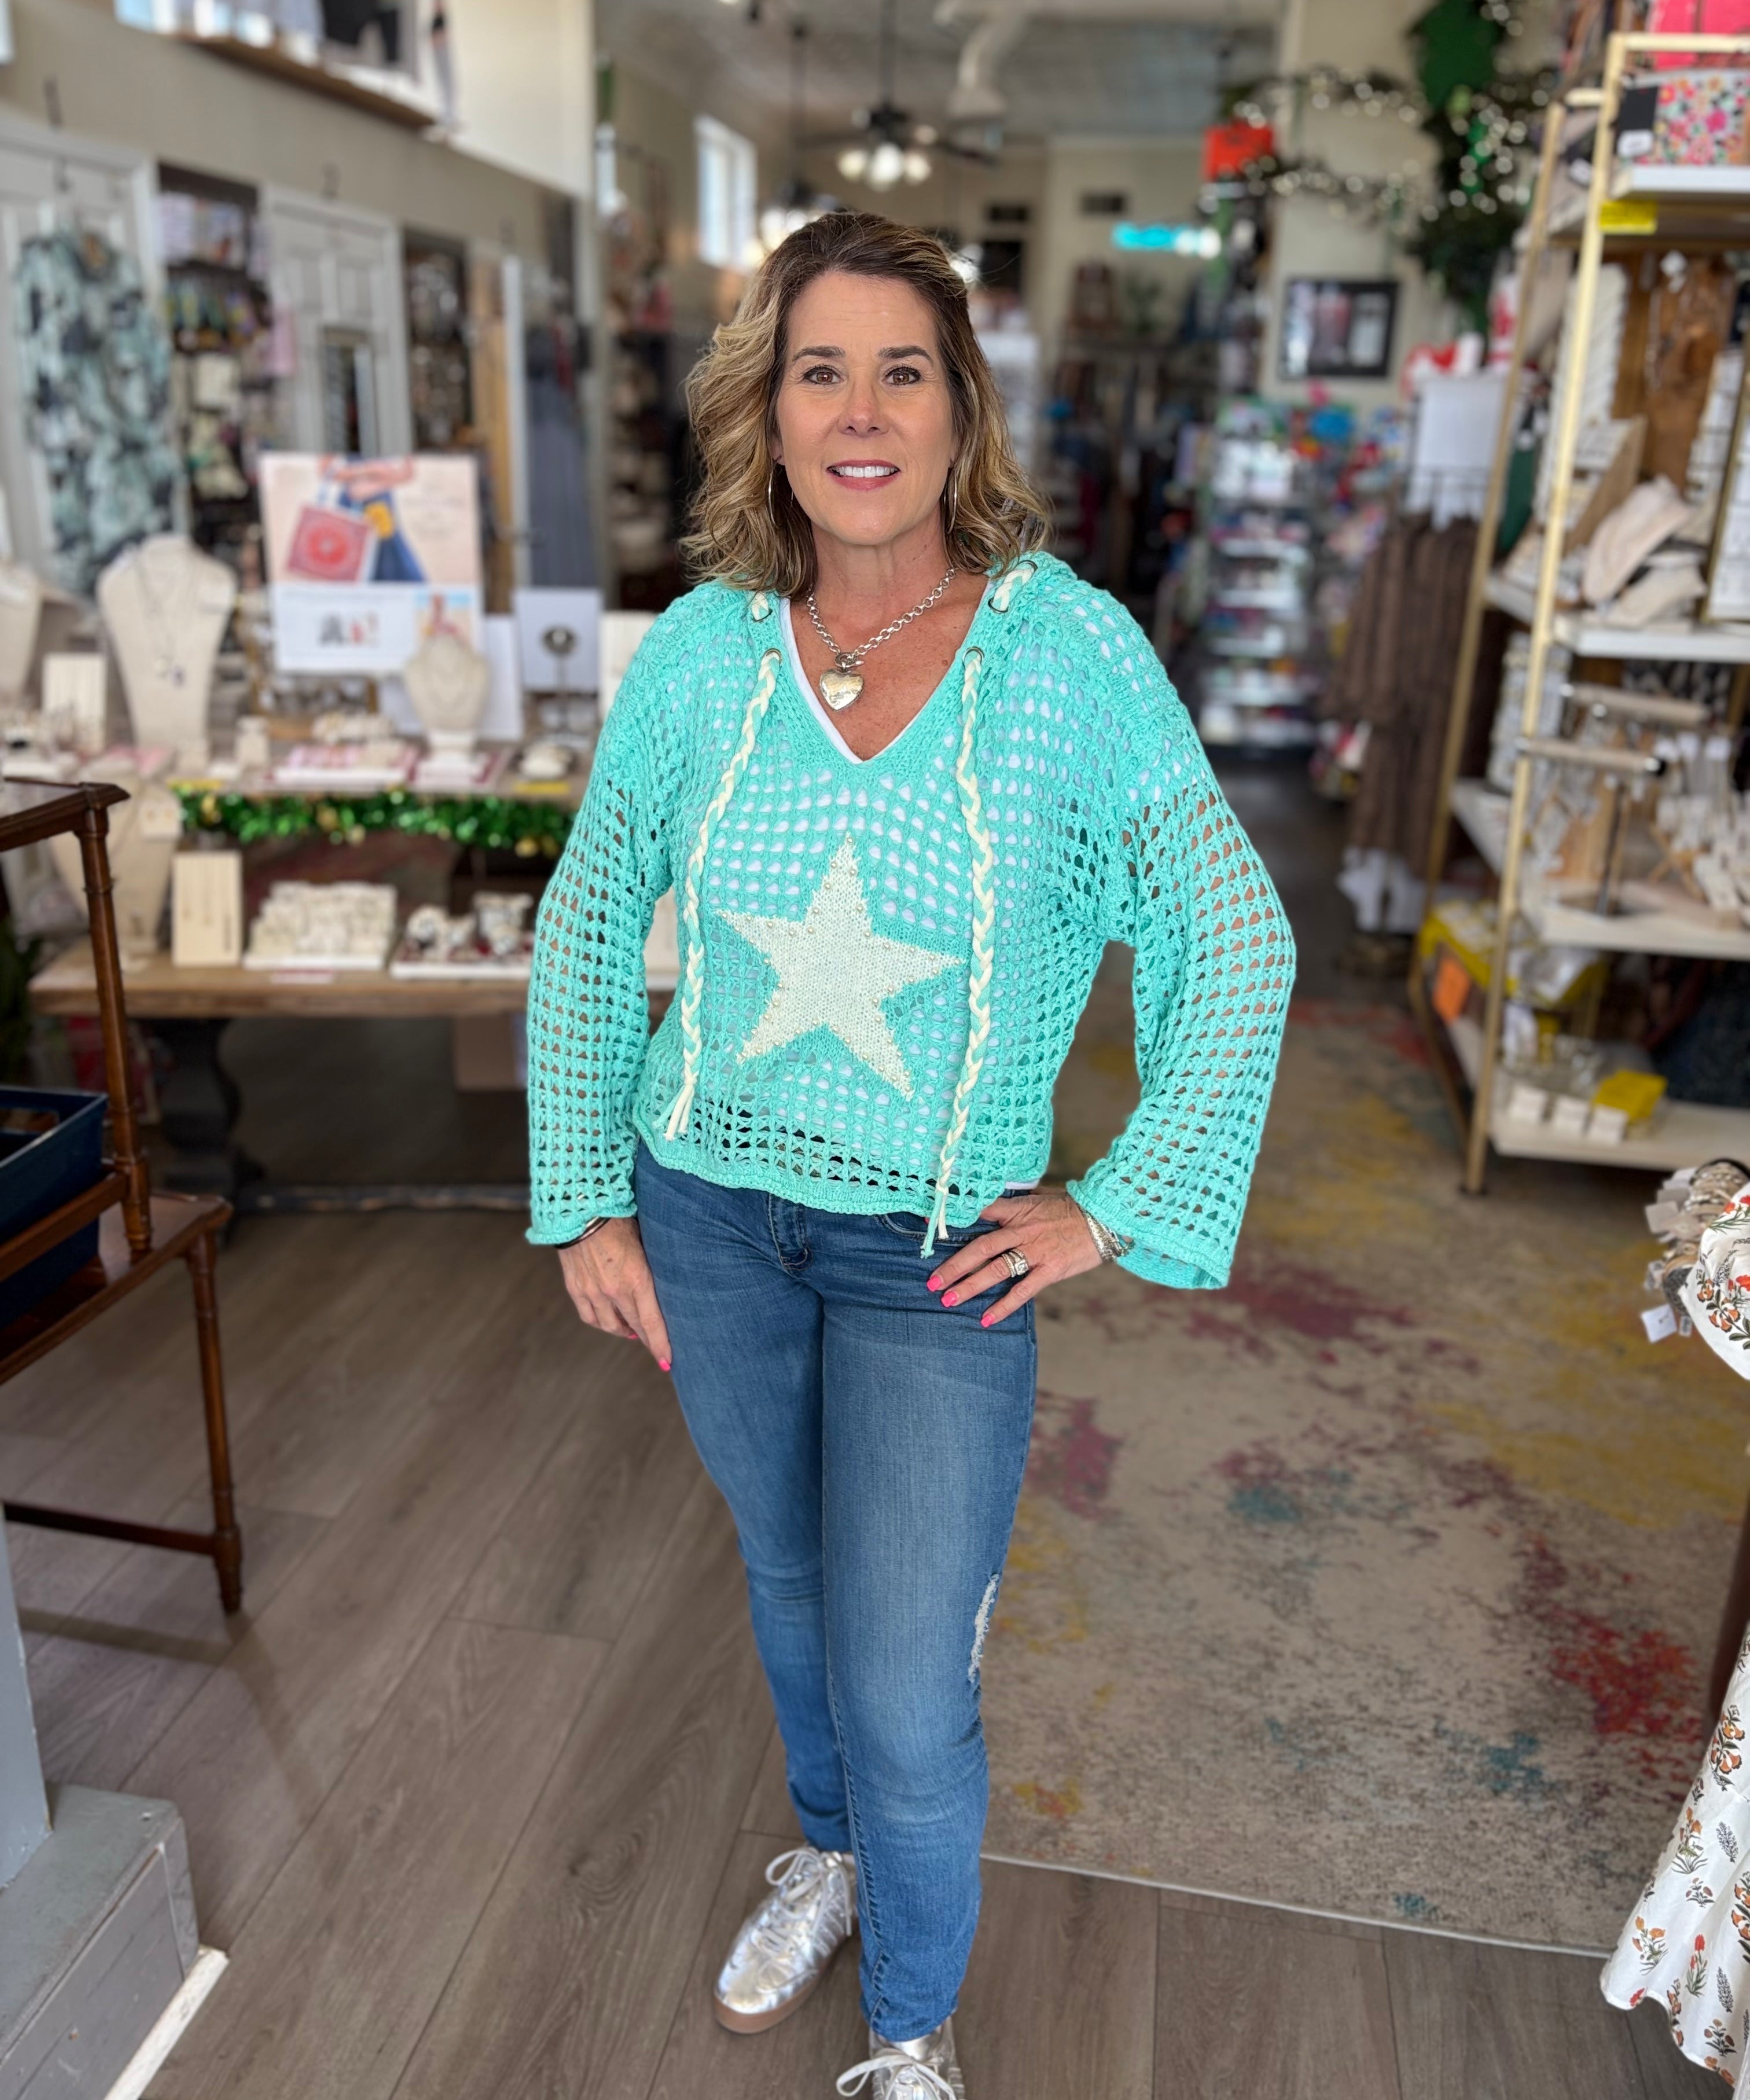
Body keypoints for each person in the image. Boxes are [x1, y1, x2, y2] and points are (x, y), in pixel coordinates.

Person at [527, 211, 1293, 2100]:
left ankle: (910, 2030)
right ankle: (839, 1853)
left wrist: (1111, 1205)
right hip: (708, 1213)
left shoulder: (1069, 657)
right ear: (764, 413)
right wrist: (584, 1190)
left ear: (962, 407)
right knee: (790, 1585)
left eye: (903, 370)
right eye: (819, 370)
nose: (859, 411)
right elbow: (588, 909)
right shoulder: (704, 655)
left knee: (905, 1665)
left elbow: (1233, 937)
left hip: (936, 1256)